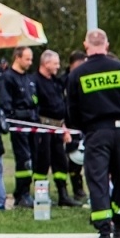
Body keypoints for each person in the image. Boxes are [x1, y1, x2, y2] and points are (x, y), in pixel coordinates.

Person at [65, 28, 120, 238]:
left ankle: (104, 233)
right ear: (107, 45)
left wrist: (84, 126)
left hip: (95, 132)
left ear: (86, 45)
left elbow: (72, 111)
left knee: (98, 180)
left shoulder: (77, 74)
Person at [31, 49, 77, 208]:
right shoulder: (35, 81)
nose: (58, 67)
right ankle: (40, 196)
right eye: (55, 63)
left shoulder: (55, 82)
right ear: (46, 63)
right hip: (43, 128)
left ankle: (63, 195)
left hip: (58, 128)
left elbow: (60, 105)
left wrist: (63, 127)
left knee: (61, 162)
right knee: (42, 163)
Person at [0, 45, 40, 207]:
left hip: (33, 124)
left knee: (34, 159)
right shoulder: (7, 78)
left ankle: (28, 192)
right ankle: (21, 194)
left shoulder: (29, 79)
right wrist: (17, 116)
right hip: (19, 125)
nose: (30, 62)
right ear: (18, 57)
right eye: (27, 59)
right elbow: (6, 104)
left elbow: (34, 99)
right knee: (24, 160)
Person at [66, 52, 89, 201]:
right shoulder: (66, 80)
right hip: (70, 124)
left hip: (86, 123)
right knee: (73, 160)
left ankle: (82, 189)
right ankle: (77, 188)